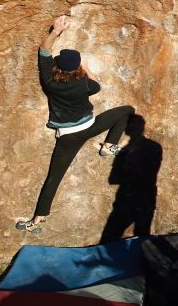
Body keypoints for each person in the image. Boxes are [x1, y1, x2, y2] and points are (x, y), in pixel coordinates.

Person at [15, 16, 135, 233]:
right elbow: (97, 85)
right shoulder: (83, 83)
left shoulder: (49, 80)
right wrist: (86, 67)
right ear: (77, 67)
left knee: (53, 178)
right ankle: (109, 146)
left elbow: (43, 50)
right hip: (91, 126)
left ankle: (36, 221)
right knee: (126, 111)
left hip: (68, 137)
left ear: (58, 66)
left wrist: (55, 32)